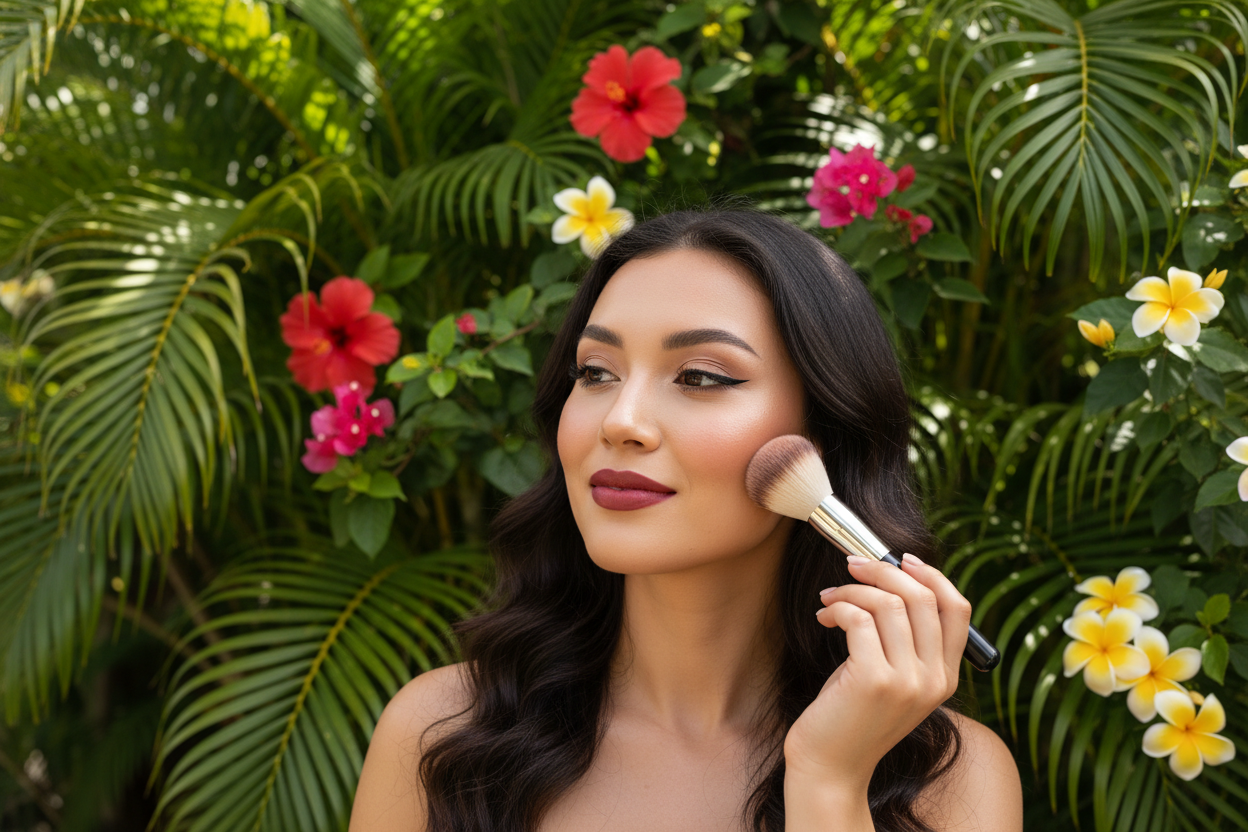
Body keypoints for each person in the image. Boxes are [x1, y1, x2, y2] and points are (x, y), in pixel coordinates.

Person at [350, 209, 1023, 831]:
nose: (621, 421)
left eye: (700, 376)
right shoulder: (442, 734)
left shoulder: (953, 784)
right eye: (595, 372)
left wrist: (830, 782)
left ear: (825, 432)